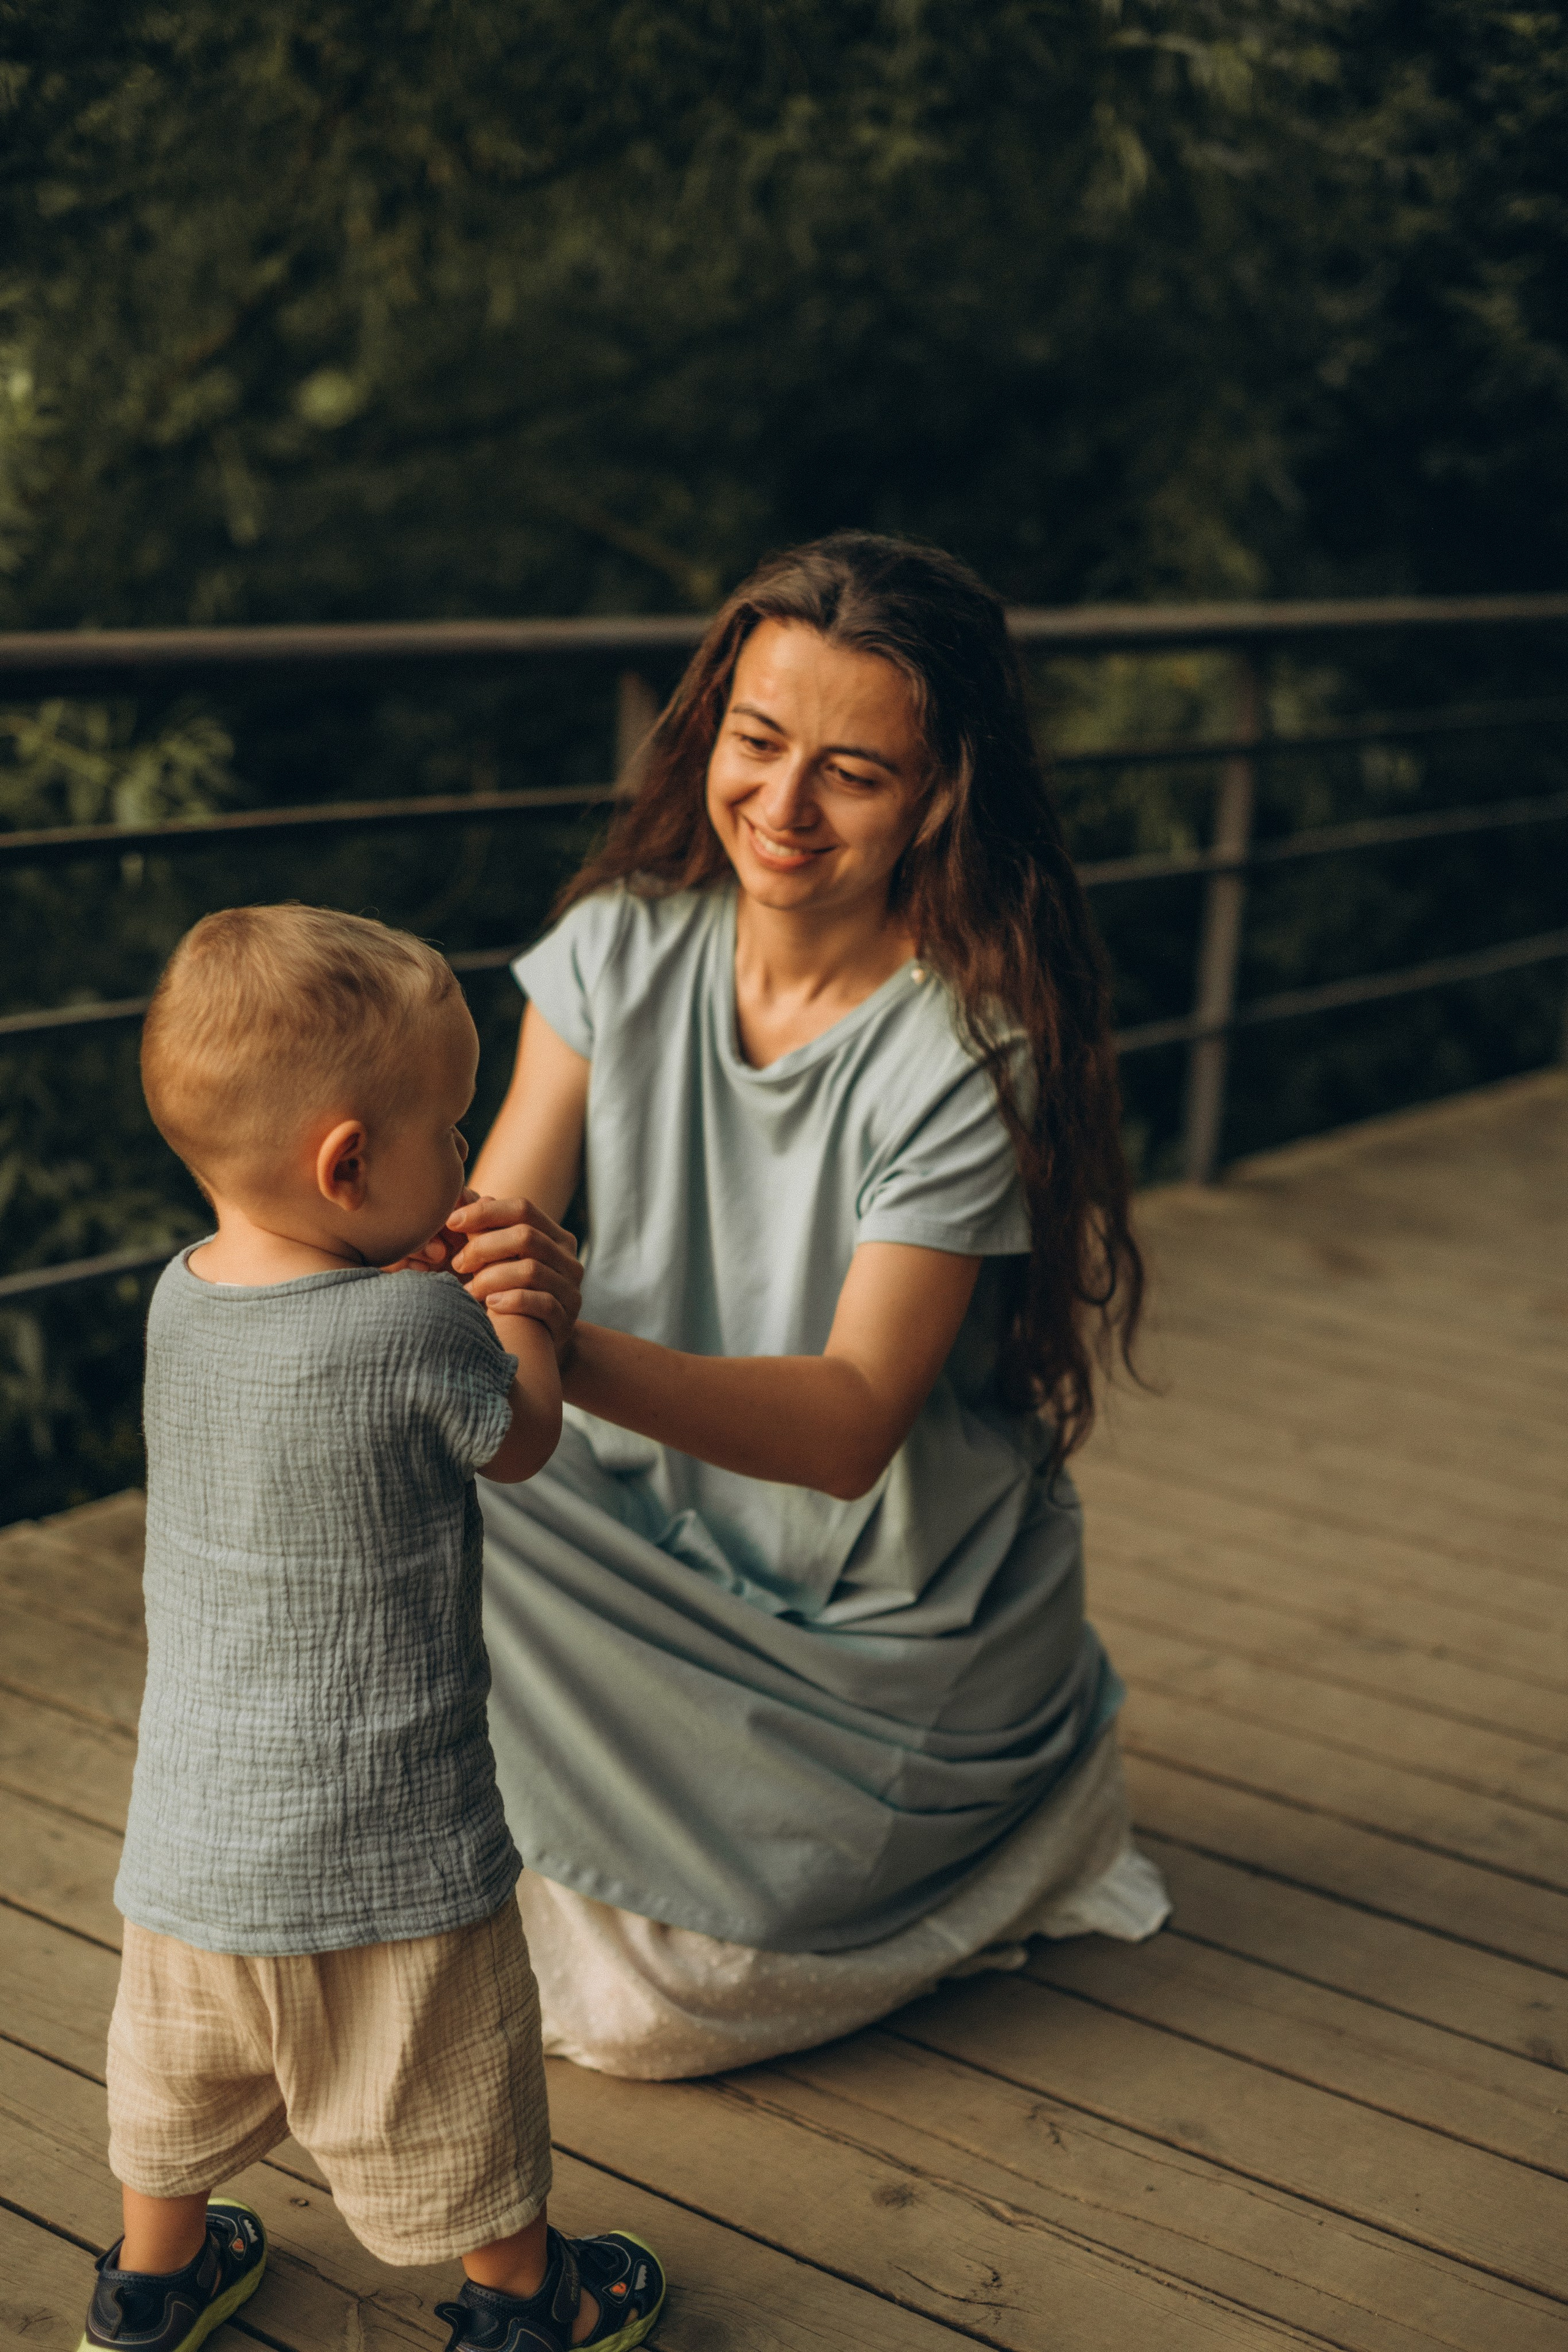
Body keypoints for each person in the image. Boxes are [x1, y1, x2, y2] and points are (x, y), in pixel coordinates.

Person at [443, 532, 1170, 2081]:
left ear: (942, 795)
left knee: (655, 2022)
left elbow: (849, 1431)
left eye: (851, 771)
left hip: (879, 1616)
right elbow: (484, 1265)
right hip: (639, 1525)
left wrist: (565, 1343)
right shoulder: (616, 949)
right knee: (399, 1468)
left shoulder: (963, 1051)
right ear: (708, 731)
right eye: (757, 743)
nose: (781, 807)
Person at [87, 907, 666, 2352]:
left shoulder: (179, 1302)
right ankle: (523, 2303)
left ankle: (149, 2288)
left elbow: (316, 1347)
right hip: (392, 1842)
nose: (468, 1163)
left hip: (196, 1843)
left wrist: (404, 1282)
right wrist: (518, 1302)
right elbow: (519, 1438)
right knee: (453, 2080)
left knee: (173, 2084)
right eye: (451, 1135)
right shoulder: (422, 1333)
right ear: (349, 1163)